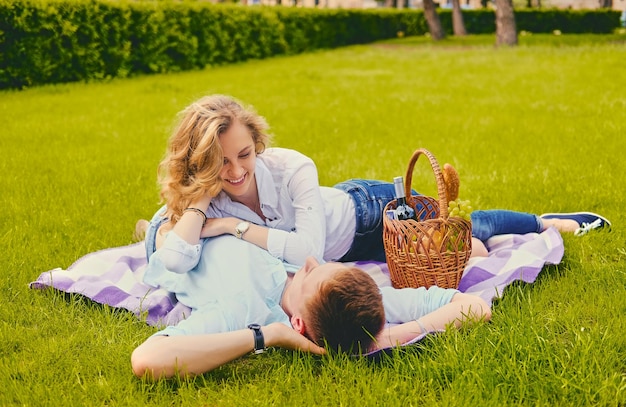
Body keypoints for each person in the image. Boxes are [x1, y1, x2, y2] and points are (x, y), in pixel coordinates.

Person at [138, 93, 611, 271]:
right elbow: (172, 253)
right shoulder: (208, 194)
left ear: (257, 143)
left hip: (370, 212)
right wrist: (197, 206)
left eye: (244, 154)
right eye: (219, 164)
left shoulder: (292, 167)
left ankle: (543, 221)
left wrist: (229, 228)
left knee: (464, 235)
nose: (237, 172)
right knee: (463, 251)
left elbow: (309, 254)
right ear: (199, 164)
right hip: (343, 246)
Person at [131, 235, 491, 379]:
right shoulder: (362, 298)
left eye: (310, 275)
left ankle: (145, 231)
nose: (307, 262)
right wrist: (387, 336)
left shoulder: (245, 308)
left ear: (298, 325)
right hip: (222, 221)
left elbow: (147, 360)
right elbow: (473, 306)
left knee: (153, 231)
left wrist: (267, 336)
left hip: (173, 241)